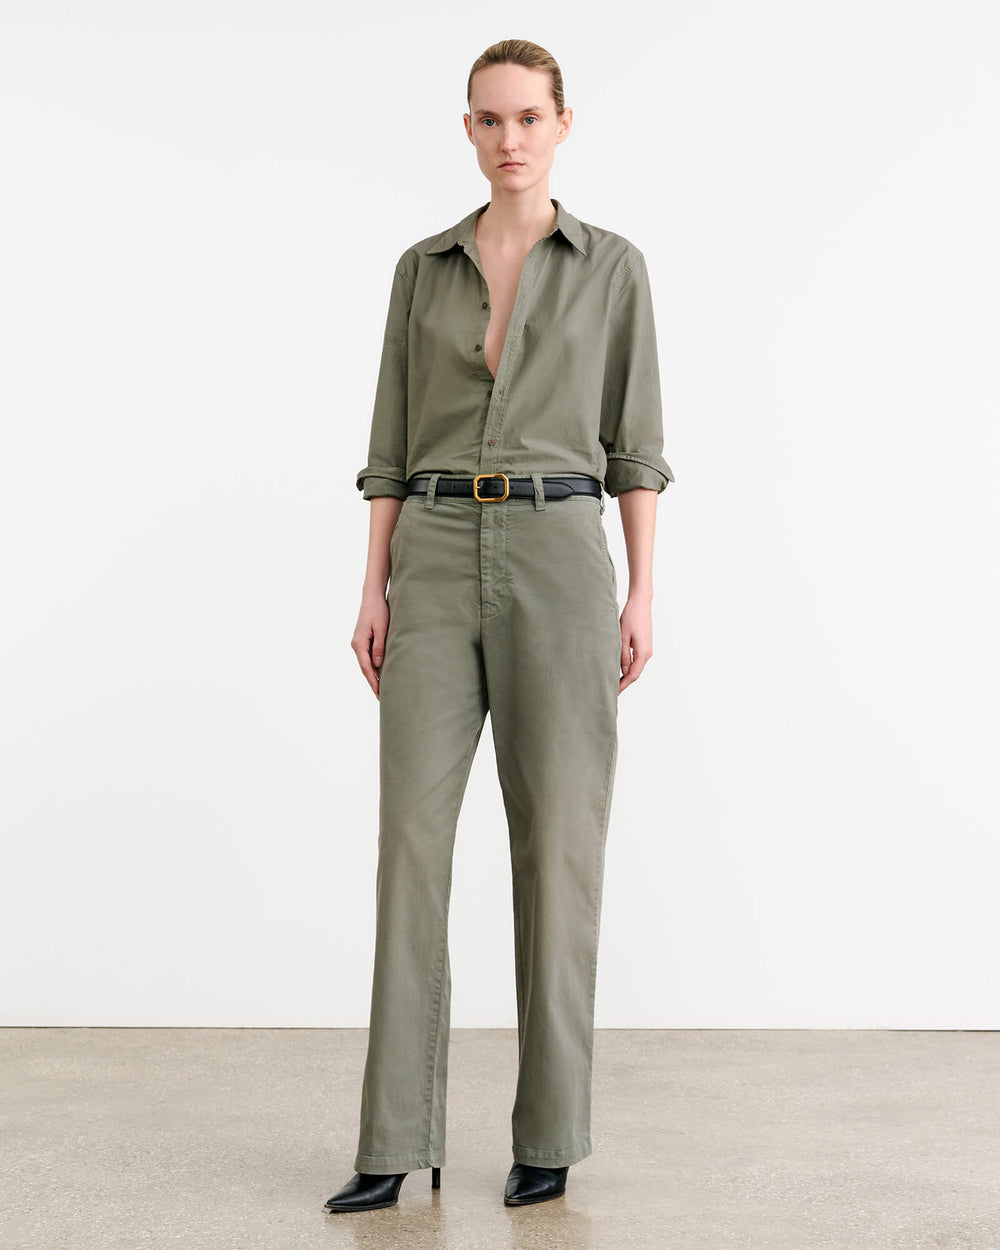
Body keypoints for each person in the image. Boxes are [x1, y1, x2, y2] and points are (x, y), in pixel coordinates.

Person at [324, 38, 675, 1215]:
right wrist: (373, 587)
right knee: (410, 842)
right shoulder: (422, 269)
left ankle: (551, 1130)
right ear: (467, 129)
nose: (508, 138)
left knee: (558, 843)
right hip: (429, 550)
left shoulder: (612, 268)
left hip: (560, 553)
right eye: (488, 119)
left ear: (563, 124)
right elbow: (388, 442)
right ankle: (392, 1136)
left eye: (527, 117)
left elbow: (635, 445)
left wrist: (641, 589)